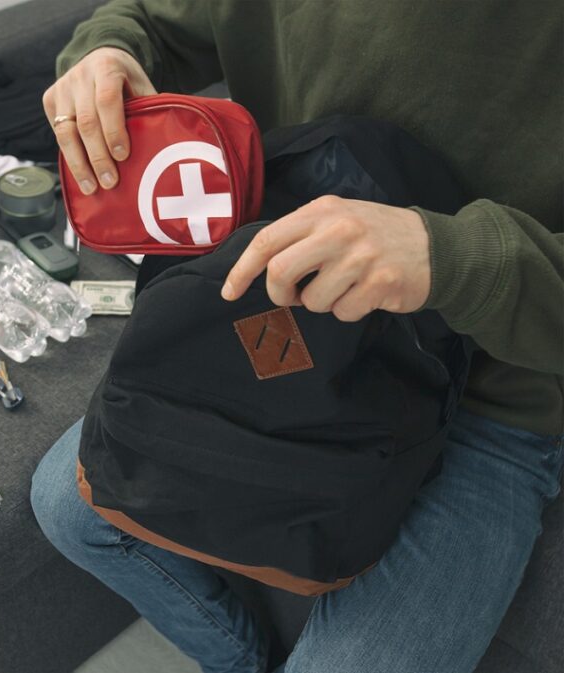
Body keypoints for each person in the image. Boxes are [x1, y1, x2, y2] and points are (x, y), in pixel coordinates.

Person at [29, 2, 564, 672]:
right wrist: (105, 55)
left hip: (498, 390)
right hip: (291, 317)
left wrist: (453, 260)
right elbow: (149, 17)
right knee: (69, 503)